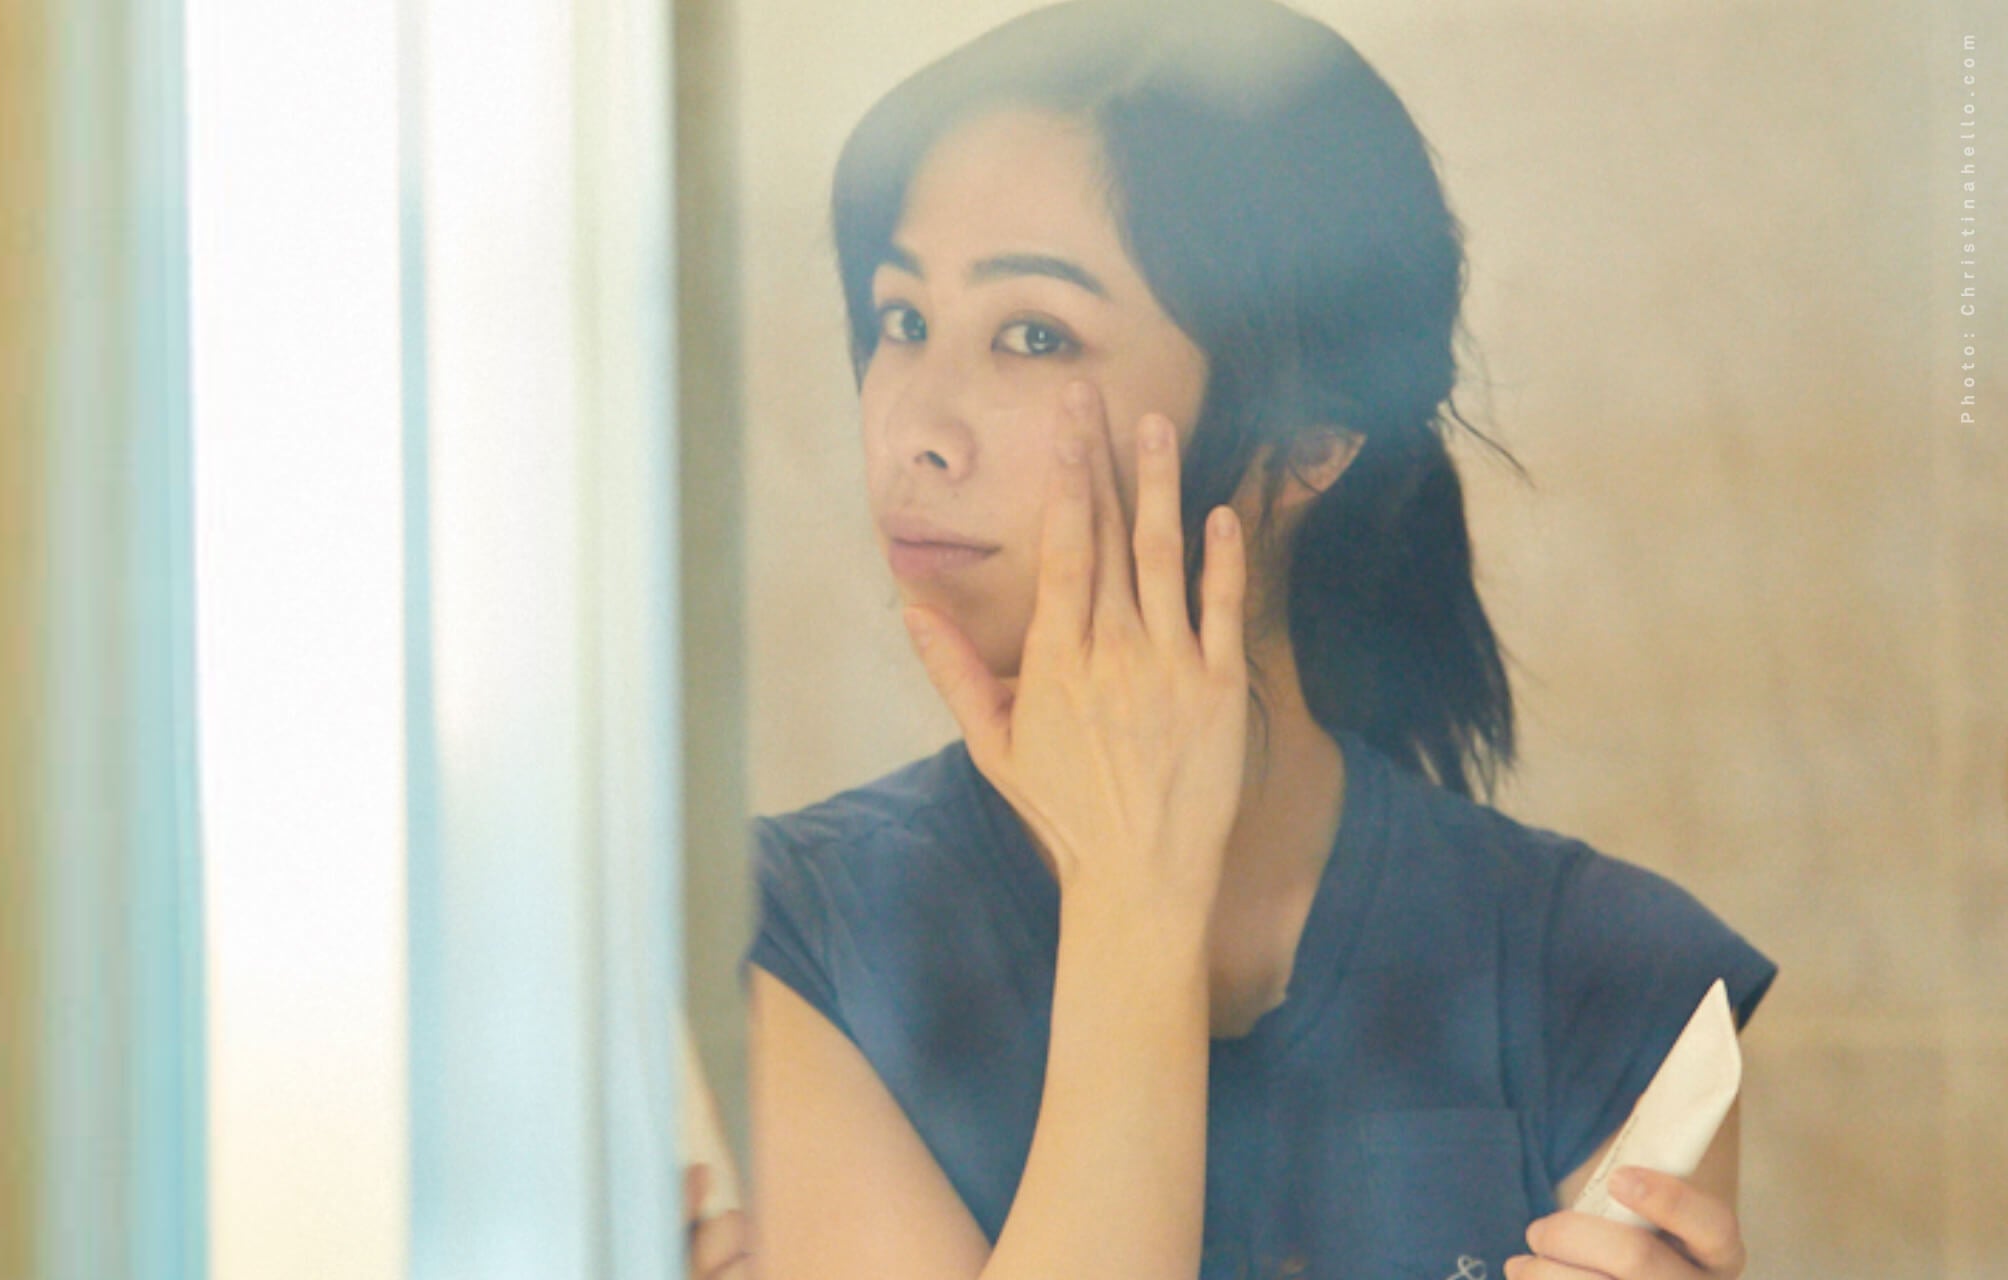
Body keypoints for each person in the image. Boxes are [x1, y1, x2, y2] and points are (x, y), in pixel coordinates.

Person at [741, 2, 1779, 1278]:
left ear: (1311, 443)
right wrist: (1132, 899)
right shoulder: (784, 939)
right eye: (902, 320)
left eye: (1031, 334)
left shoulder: (1610, 980)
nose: (916, 429)